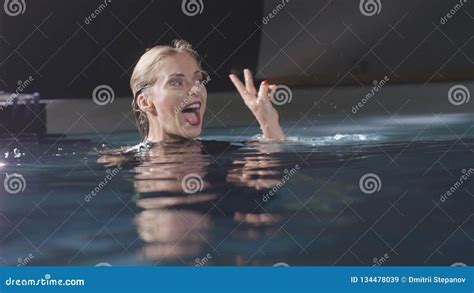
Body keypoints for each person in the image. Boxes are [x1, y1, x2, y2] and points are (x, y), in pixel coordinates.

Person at [130, 39, 286, 143]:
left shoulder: (225, 153)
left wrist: (268, 122)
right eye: (176, 82)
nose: (195, 89)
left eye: (198, 80)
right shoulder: (122, 163)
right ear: (145, 102)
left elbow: (277, 175)